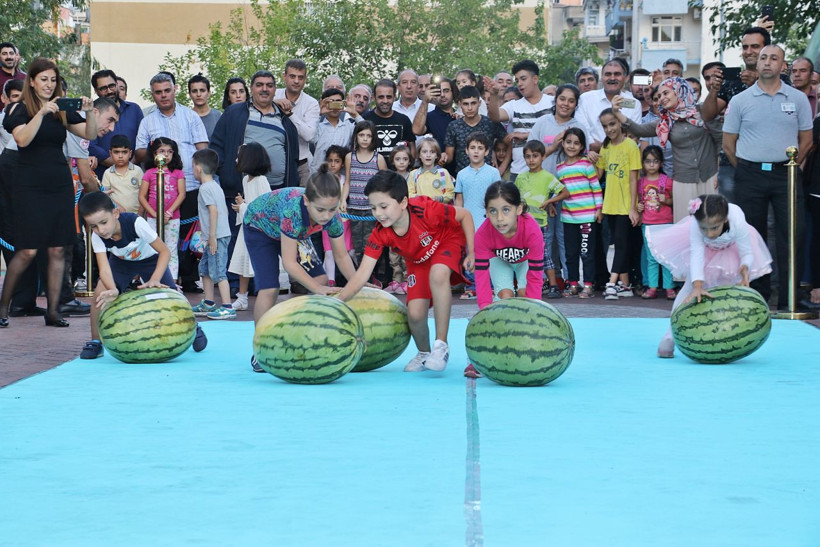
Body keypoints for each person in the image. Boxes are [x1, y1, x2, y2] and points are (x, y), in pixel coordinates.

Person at [336, 170, 476, 373]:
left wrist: (472, 251)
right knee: (415, 315)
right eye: (373, 207)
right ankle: (424, 353)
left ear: (403, 203)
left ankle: (441, 345)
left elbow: (465, 215)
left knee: (438, 274)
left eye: (383, 206)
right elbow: (362, 273)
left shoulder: (425, 208)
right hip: (418, 261)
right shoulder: (380, 233)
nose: (378, 213)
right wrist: (338, 300)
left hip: (446, 242)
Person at [0, 58, 97, 328]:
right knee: (27, 251)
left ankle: (54, 311)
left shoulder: (61, 110)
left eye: (53, 80)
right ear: (31, 80)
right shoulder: (19, 108)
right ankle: (3, 306)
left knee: (57, 249)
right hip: (29, 184)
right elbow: (22, 140)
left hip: (59, 183)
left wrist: (90, 112)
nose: (49, 85)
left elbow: (89, 134)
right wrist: (41, 113)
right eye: (44, 79)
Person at [722, 45, 814, 309]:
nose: (767, 62)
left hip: (786, 174)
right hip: (750, 175)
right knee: (751, 235)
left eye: (774, 58)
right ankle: (756, 297)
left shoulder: (797, 99)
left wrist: (790, 164)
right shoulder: (740, 100)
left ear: (782, 66)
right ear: (756, 63)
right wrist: (747, 167)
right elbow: (729, 144)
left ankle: (790, 298)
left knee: (792, 235)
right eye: (763, 58)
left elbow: (806, 140)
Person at [244, 167, 359, 372]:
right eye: (320, 210)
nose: (326, 216)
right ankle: (260, 348)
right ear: (306, 201)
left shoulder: (332, 217)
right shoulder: (293, 211)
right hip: (260, 228)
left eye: (331, 209)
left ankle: (301, 335)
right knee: (270, 288)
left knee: (322, 280)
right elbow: (289, 263)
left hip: (295, 234)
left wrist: (357, 283)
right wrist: (315, 288)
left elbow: (341, 255)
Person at [76, 191, 207, 359]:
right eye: (94, 226)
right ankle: (96, 342)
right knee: (99, 296)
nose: (100, 230)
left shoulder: (135, 222)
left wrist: (154, 280)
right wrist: (113, 289)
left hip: (151, 260)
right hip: (121, 262)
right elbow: (104, 269)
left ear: (115, 213)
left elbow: (164, 252)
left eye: (103, 222)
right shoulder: (97, 237)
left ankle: (194, 327)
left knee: (172, 294)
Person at [648, 194, 772, 358]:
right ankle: (670, 336)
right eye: (704, 228)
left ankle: (722, 337)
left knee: (724, 295)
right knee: (688, 290)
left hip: (731, 254)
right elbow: (697, 254)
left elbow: (747, 252)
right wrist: (697, 285)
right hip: (705, 254)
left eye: (714, 228)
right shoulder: (695, 225)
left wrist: (745, 268)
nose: (710, 234)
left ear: (725, 219)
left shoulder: (736, 217)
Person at [613, 77, 721, 222]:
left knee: (712, 224)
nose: (661, 99)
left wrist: (719, 172)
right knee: (685, 228)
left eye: (665, 93)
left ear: (679, 91)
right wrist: (617, 113)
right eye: (659, 96)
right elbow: (639, 130)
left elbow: (720, 140)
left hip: (709, 177)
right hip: (683, 181)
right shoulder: (665, 122)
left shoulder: (702, 111)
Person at [473, 180, 545, 308]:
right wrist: (484, 307)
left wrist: (535, 310)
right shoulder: (482, 235)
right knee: (505, 296)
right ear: (487, 212)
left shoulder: (532, 231)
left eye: (506, 210)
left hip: (525, 261)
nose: (499, 218)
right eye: (493, 211)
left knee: (525, 295)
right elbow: (481, 277)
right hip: (499, 260)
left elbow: (535, 275)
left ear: (518, 209)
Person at [596, 108, 641, 300]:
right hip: (610, 204)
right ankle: (626, 285)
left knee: (622, 245)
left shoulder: (631, 146)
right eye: (605, 126)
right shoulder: (605, 148)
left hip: (625, 206)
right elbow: (598, 175)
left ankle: (612, 283)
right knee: (620, 242)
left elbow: (634, 179)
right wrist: (591, 159)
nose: (609, 129)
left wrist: (633, 208)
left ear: (620, 123)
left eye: (612, 124)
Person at [515, 140, 569, 298]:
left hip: (540, 224)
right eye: (527, 157)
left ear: (543, 157)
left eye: (535, 156)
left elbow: (564, 192)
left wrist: (549, 202)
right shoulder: (521, 177)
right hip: (522, 225)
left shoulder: (547, 177)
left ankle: (553, 285)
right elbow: (516, 198)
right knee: (524, 255)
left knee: (544, 255)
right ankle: (526, 286)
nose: (531, 160)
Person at [486, 60, 553, 180]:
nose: (520, 84)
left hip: (549, 171)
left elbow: (556, 136)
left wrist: (526, 135)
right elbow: (494, 116)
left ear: (535, 79)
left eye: (523, 79)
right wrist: (494, 95)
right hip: (519, 173)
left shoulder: (552, 103)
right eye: (517, 81)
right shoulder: (513, 105)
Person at [454, 132, 501, 299]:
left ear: (487, 152)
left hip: (488, 223)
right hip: (468, 224)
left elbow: (498, 198)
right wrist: (457, 221)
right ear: (466, 151)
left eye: (480, 148)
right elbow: (459, 200)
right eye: (472, 148)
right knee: (470, 254)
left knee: (491, 257)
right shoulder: (461, 174)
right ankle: (473, 287)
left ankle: (494, 287)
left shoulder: (493, 173)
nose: (476, 151)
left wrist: (496, 219)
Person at [556, 127, 602, 298]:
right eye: (568, 142)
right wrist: (553, 204)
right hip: (568, 218)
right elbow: (558, 191)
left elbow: (596, 188)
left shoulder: (586, 165)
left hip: (587, 218)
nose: (572, 146)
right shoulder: (559, 168)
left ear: (582, 146)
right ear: (563, 144)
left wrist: (599, 210)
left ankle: (588, 285)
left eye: (576, 143)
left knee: (587, 253)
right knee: (571, 253)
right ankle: (573, 283)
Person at [190, 149, 234, 319]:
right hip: (214, 235)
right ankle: (208, 303)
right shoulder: (215, 185)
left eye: (193, 166)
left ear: (199, 168)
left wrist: (213, 237)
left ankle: (227, 306)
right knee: (206, 268)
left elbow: (213, 211)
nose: (192, 169)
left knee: (218, 271)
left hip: (216, 236)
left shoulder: (206, 189)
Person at [227, 142, 272, 311]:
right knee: (242, 261)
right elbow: (252, 204)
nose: (237, 159)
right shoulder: (246, 179)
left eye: (240, 156)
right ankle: (242, 296)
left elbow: (265, 206)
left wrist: (243, 207)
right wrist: (243, 204)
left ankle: (265, 296)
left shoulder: (262, 181)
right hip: (247, 227)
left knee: (259, 264)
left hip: (259, 230)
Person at [139, 137, 186, 281]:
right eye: (162, 151)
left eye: (170, 151)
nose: (166, 155)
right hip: (153, 218)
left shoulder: (178, 173)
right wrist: (154, 214)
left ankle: (171, 281)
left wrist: (169, 212)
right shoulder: (149, 173)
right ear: (154, 154)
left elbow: (182, 194)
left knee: (170, 249)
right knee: (152, 248)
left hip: (172, 218)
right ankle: (150, 279)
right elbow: (142, 196)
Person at [342, 120, 387, 265]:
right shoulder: (350, 157)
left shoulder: (378, 158)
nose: (365, 139)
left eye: (369, 135)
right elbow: (348, 181)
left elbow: (385, 184)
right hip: (354, 208)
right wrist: (343, 200)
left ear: (373, 138)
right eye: (361, 135)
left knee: (371, 243)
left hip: (372, 210)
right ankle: (361, 275)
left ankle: (375, 275)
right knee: (357, 244)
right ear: (356, 136)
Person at [575, 59, 643, 151]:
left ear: (625, 78)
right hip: (592, 158)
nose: (612, 78)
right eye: (608, 74)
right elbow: (582, 130)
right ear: (602, 78)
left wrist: (609, 150)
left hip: (623, 158)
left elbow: (634, 135)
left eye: (617, 74)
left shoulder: (634, 104)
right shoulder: (586, 99)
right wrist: (594, 145)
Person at [88, 69, 144, 179]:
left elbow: (142, 140)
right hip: (103, 177)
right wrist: (120, 167)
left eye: (112, 86)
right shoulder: (90, 112)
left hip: (133, 178)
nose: (109, 91)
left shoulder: (134, 109)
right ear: (96, 90)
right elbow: (91, 145)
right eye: (103, 88)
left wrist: (130, 168)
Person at [636, 146, 675, 300]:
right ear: (643, 163)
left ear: (661, 163)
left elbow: (674, 201)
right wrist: (638, 207)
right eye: (648, 161)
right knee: (651, 258)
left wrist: (667, 200)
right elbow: (639, 201)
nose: (651, 165)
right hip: (648, 224)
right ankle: (652, 287)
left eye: (655, 161)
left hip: (666, 223)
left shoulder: (667, 181)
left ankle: (669, 288)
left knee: (666, 257)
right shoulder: (640, 182)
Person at [273, 59, 320, 185]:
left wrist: (290, 115)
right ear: (284, 76)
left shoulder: (311, 103)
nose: (296, 81)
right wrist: (273, 104)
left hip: (301, 165)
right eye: (292, 76)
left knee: (301, 203)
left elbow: (309, 135)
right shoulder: (273, 96)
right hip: (273, 161)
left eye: (301, 77)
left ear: (305, 79)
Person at [444, 85, 505, 173]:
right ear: (460, 104)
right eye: (466, 104)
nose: (470, 108)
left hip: (487, 177)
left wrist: (502, 167)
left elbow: (509, 142)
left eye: (473, 103)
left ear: (479, 103)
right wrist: (442, 156)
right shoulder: (454, 126)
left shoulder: (490, 123)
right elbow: (449, 156)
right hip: (463, 177)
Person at [318, 145, 354, 288]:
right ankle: (331, 282)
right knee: (329, 252)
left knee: (350, 251)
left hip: (344, 220)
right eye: (330, 160)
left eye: (337, 161)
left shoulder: (344, 180)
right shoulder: (322, 180)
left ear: (343, 163)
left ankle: (360, 277)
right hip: (327, 220)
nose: (333, 164)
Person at [310, 87, 361, 174]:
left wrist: (355, 114)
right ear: (325, 103)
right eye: (331, 102)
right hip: (318, 176)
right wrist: (318, 113)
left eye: (338, 101)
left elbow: (369, 131)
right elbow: (310, 137)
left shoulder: (349, 126)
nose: (335, 105)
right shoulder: (318, 126)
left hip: (341, 178)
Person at [363, 79, 415, 159]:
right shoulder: (365, 120)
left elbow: (412, 148)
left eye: (389, 97)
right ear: (373, 97)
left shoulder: (404, 120)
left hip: (398, 170)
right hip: (372, 170)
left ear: (395, 97)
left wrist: (410, 167)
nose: (385, 101)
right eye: (381, 97)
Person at [101, 134, 143, 214]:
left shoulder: (137, 171)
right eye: (116, 152)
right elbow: (105, 195)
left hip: (136, 214)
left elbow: (143, 195)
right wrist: (117, 206)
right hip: (116, 215)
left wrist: (140, 215)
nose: (120, 156)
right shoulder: (108, 173)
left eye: (124, 152)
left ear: (130, 153)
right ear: (110, 153)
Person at [407, 137, 454, 203]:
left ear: (437, 155)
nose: (428, 155)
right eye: (424, 152)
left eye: (432, 152)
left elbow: (450, 193)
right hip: (421, 211)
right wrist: (421, 199)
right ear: (419, 155)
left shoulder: (443, 173)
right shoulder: (413, 174)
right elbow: (409, 193)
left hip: (439, 211)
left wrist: (439, 199)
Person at [188, 73, 221, 140]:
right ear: (190, 94)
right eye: (194, 91)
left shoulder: (219, 116)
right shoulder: (185, 117)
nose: (198, 94)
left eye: (202, 90)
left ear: (209, 93)